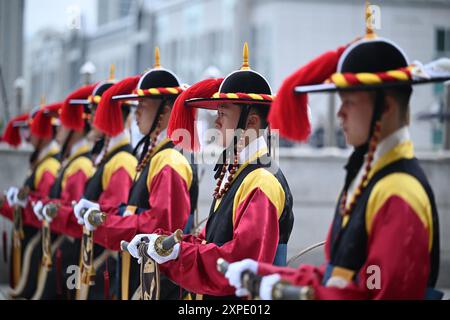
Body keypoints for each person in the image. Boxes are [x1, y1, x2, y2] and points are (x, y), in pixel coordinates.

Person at [224, 23, 449, 300]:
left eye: (349, 102)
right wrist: (272, 276)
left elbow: (381, 291)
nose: (340, 113)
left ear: (386, 107)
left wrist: (293, 291)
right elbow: (340, 275)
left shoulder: (398, 189)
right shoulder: (370, 176)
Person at [126, 43, 296, 299]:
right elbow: (209, 242)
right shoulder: (239, 171)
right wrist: (166, 244)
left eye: (223, 113)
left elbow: (239, 260)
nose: (216, 122)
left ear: (251, 122)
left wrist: (178, 254)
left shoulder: (261, 181)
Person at [77, 48, 198, 300]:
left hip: (158, 283)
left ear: (164, 112)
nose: (137, 112)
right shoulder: (157, 154)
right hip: (142, 271)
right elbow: (136, 211)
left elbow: (160, 226)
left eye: (143, 105)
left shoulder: (169, 161)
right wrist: (104, 214)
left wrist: (106, 223)